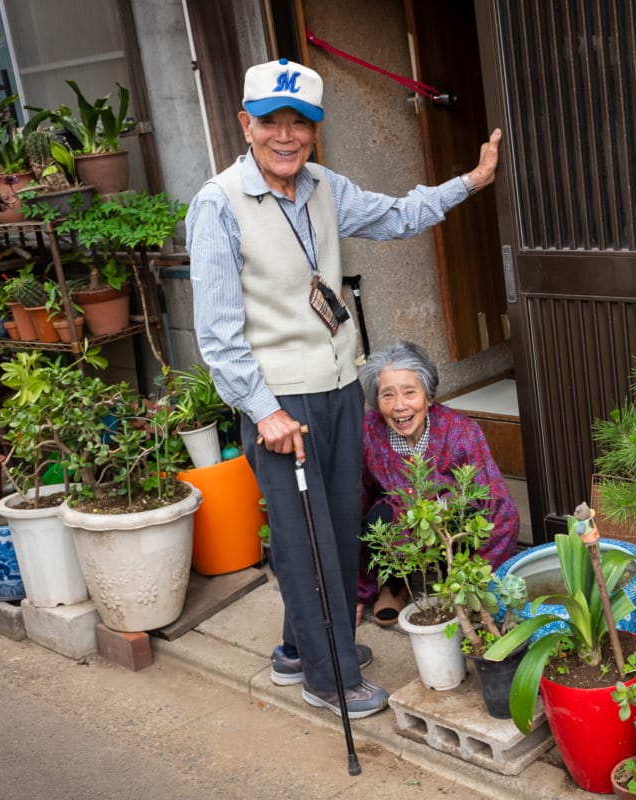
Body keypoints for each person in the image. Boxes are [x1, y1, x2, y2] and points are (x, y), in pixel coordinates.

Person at [186, 58, 502, 719]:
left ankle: (298, 651)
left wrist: (469, 182)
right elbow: (216, 333)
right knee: (304, 541)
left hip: (336, 388)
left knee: (338, 530)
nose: (285, 136)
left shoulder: (325, 186)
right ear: (246, 125)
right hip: (281, 404)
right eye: (270, 122)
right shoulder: (219, 204)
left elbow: (397, 214)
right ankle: (328, 680)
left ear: (313, 132)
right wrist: (264, 411)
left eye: (298, 124)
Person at [358, 341, 519, 625]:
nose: (399, 406)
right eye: (388, 395)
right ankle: (393, 583)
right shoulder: (369, 432)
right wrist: (359, 591)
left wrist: (476, 572)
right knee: (373, 517)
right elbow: (357, 499)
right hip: (402, 524)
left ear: (429, 396)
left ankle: (459, 580)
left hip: (451, 526)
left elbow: (499, 507)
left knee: (472, 513)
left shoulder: (460, 431)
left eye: (410, 392)